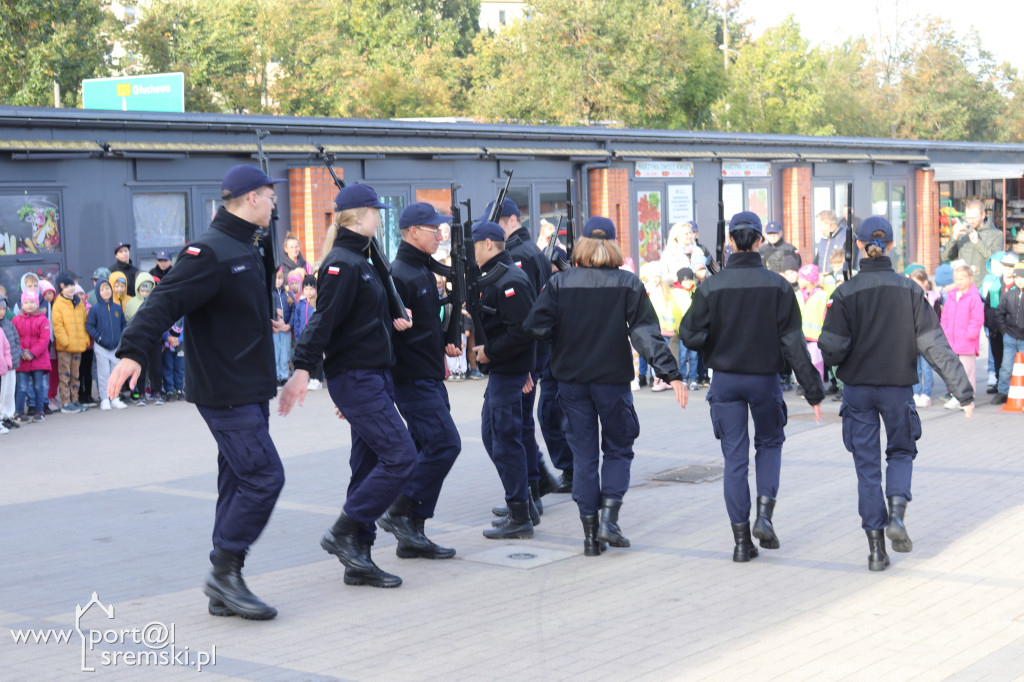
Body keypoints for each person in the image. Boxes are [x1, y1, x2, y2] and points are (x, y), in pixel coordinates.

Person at [108, 164, 287, 620]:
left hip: (248, 387)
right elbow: (164, 301)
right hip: (225, 390)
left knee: (238, 479)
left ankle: (222, 585)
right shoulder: (209, 251)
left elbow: (226, 307)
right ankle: (224, 573)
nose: (274, 203)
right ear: (250, 199)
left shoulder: (243, 247)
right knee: (265, 476)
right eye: (270, 196)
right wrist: (131, 351)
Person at [278, 183, 417, 589]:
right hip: (357, 377)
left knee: (369, 463)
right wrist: (303, 369)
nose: (379, 216)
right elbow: (324, 320)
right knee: (400, 455)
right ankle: (343, 531)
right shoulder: (342, 262)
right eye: (375, 210)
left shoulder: (363, 257)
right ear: (359, 217)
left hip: (372, 374)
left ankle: (359, 556)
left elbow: (357, 318)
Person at [819, 216, 973, 572]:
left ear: (858, 246)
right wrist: (962, 392)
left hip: (857, 390)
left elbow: (832, 350)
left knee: (867, 466)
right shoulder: (910, 290)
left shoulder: (846, 292)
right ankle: (897, 514)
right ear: (890, 245)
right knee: (901, 452)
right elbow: (934, 345)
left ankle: (875, 550)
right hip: (897, 388)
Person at [526, 216, 686, 555]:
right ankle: (609, 520)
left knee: (584, 456)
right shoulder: (628, 283)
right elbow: (644, 333)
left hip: (571, 381)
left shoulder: (560, 283)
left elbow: (536, 326)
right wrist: (671, 373)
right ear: (614, 245)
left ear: (581, 244)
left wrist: (561, 339)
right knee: (618, 447)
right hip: (612, 381)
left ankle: (589, 536)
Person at [680, 212, 825, 563]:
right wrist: (813, 390)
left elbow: (689, 334)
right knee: (770, 444)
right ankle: (764, 516)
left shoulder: (712, 286)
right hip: (764, 380)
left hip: (726, 381)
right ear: (760, 241)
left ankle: (742, 543)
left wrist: (718, 334)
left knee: (734, 459)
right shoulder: (778, 285)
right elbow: (793, 343)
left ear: (730, 242)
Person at [375, 202, 463, 559]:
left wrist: (446, 339)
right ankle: (398, 510)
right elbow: (388, 332)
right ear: (412, 232)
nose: (440, 234)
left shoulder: (421, 270)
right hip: (411, 378)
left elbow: (420, 326)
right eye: (433, 229)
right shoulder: (399, 274)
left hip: (429, 374)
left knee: (425, 451)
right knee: (445, 444)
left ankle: (413, 533)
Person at [482, 197, 567, 505]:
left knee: (510, 427)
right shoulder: (529, 250)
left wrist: (526, 365)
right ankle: (534, 485)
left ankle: (528, 493)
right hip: (533, 351)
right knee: (518, 423)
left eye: (498, 223)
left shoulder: (517, 254)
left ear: (513, 221)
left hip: (525, 354)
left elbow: (523, 317)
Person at [468, 220, 538, 539]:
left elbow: (523, 331)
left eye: (473, 245)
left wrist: (489, 352)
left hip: (507, 370)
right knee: (492, 435)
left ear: (488, 244)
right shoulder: (500, 275)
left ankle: (521, 513)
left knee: (505, 440)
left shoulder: (512, 279)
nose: (470, 253)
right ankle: (520, 501)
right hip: (504, 370)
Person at [940, 265, 984, 409]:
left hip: (967, 342)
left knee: (967, 371)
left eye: (962, 278)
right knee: (954, 371)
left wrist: (969, 335)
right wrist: (945, 332)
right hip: (952, 341)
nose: (959, 281)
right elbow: (945, 316)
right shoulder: (951, 296)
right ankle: (956, 396)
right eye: (956, 279)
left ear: (970, 279)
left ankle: (968, 398)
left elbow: (977, 319)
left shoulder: (974, 297)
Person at [85, 278, 128, 410]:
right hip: (101, 347)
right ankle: (105, 399)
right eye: (102, 289)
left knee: (116, 373)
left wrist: (121, 337)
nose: (105, 291)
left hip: (116, 346)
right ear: (98, 292)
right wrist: (99, 338)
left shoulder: (117, 307)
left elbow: (123, 324)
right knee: (104, 373)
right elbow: (90, 327)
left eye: (107, 288)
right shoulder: (95, 309)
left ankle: (115, 398)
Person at [51, 273, 90, 413]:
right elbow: (58, 326)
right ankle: (66, 402)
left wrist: (85, 339)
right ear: (61, 287)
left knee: (76, 375)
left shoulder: (79, 304)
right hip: (65, 348)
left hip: (78, 346)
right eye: (68, 286)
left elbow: (85, 323)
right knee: (65, 375)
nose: (71, 289)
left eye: (72, 286)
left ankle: (75, 399)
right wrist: (65, 341)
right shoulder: (58, 304)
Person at [124, 272, 163, 405]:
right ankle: (141, 394)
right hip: (139, 342)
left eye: (148, 289)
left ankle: (157, 393)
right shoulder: (131, 304)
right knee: (140, 368)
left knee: (156, 368)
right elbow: (129, 321)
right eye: (142, 289)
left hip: (155, 339)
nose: (145, 292)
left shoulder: (157, 302)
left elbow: (161, 320)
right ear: (137, 288)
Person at [942, 199, 1004, 280]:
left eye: (974, 218)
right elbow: (944, 257)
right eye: (968, 218)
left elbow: (995, 261)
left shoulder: (997, 235)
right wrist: (954, 237)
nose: (970, 221)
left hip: (984, 284)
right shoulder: (962, 233)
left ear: (983, 215)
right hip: (963, 283)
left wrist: (978, 243)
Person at [13, 291, 49, 422]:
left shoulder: (43, 319)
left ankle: (40, 411)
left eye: (32, 302)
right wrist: (22, 352)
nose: (29, 305)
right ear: (22, 304)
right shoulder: (16, 320)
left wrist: (32, 353)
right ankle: (19, 412)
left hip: (38, 359)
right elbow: (14, 338)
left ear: (37, 304)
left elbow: (44, 340)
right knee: (22, 386)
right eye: (26, 302)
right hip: (22, 359)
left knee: (39, 386)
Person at [908, 268, 942, 408]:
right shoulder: (909, 298)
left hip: (928, 338)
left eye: (917, 283)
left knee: (927, 368)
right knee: (915, 369)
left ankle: (926, 393)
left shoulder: (933, 298)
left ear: (925, 282)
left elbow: (937, 318)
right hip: (913, 339)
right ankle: (916, 392)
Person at [992, 263, 1024, 405]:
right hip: (1010, 336)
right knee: (1006, 366)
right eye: (1017, 277)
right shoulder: (1009, 295)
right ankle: (1003, 392)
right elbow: (999, 313)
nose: (1019, 280)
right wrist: (1005, 331)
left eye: (1022, 277)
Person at [289, 275, 322, 390]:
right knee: (307, 357)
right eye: (306, 289)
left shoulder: (318, 303)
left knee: (317, 358)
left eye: (311, 289)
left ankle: (317, 379)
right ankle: (310, 379)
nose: (308, 292)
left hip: (316, 336)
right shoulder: (300, 304)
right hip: (304, 336)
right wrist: (298, 335)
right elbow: (297, 321)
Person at [796, 264, 827, 382]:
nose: (798, 280)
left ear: (808, 280)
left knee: (816, 364)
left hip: (816, 337)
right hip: (802, 336)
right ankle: (808, 387)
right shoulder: (798, 295)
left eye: (801, 277)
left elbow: (825, 316)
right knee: (805, 364)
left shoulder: (822, 296)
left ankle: (818, 386)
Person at [672, 268, 700, 390]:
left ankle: (693, 378)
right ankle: (683, 378)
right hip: (682, 328)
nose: (688, 282)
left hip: (695, 328)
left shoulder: (696, 291)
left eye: (690, 280)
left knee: (694, 355)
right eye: (685, 280)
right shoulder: (675, 293)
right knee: (682, 355)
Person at [0, 293, 21, 431]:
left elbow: (16, 341)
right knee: (2, 394)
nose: (1, 312)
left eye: (3, 309)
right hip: (2, 367)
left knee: (9, 392)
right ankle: (1, 417)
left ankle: (8, 416)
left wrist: (17, 355)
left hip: (11, 364)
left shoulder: (8, 324)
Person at [270, 268, 293, 385]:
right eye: (276, 279)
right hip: (275, 329)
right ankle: (276, 376)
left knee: (285, 353)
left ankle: (284, 376)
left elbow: (293, 310)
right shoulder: (270, 295)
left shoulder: (288, 295)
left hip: (285, 329)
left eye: (280, 278)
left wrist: (289, 324)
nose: (278, 281)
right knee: (275, 353)